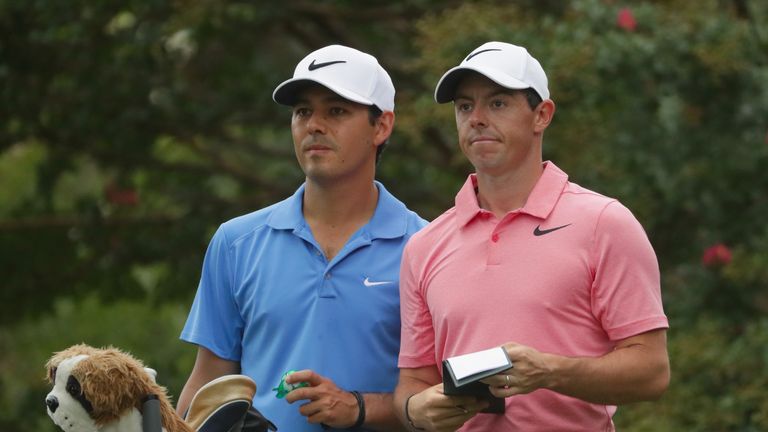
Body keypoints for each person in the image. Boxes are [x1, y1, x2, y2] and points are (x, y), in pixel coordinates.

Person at [393, 41, 670, 431]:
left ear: (542, 114)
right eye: (465, 106)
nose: (476, 118)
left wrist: (551, 372)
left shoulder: (604, 223)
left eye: (498, 103)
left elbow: (652, 372)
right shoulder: (424, 245)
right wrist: (414, 411)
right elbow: (414, 382)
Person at [177, 44, 426, 431]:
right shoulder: (236, 242)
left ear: (381, 126)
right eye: (302, 111)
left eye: (336, 111)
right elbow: (209, 383)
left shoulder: (428, 247)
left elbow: (447, 398)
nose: (314, 125)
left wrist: (358, 407)